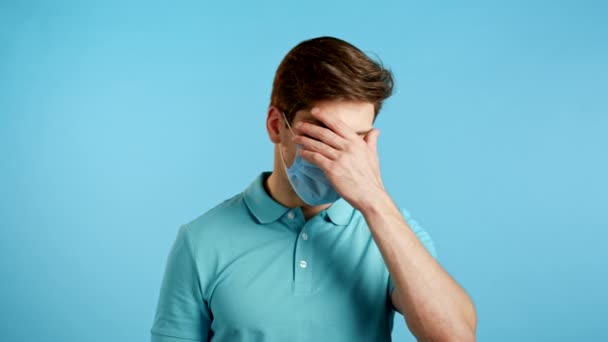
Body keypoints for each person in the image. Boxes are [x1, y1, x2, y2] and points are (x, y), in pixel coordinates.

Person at [150, 36, 477, 342]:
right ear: (277, 126)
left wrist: (375, 202)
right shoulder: (201, 241)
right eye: (323, 136)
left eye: (356, 139)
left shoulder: (392, 230)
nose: (340, 157)